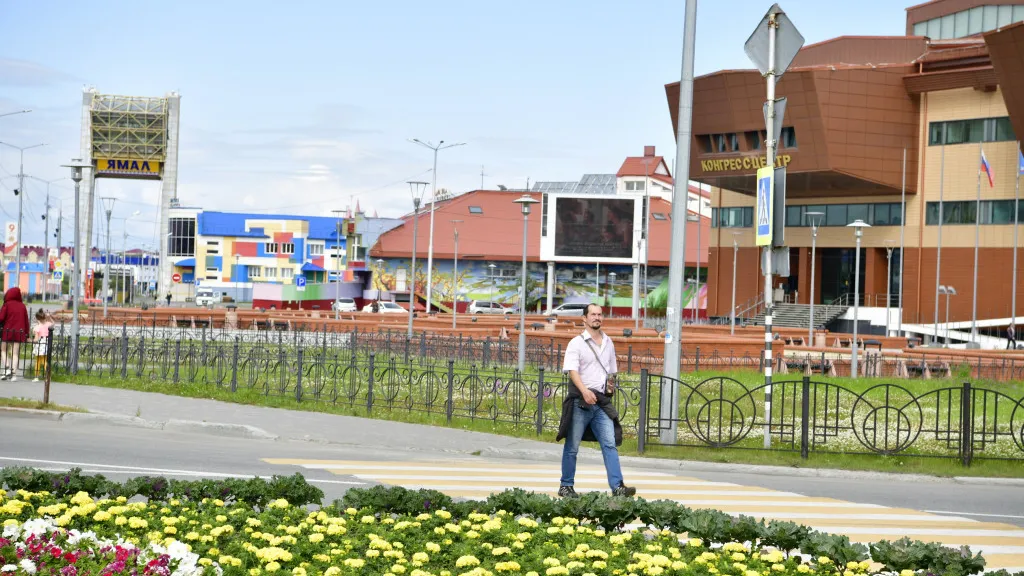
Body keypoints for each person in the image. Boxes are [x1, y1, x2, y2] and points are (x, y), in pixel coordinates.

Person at [555, 303, 635, 498]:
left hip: (600, 403)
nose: (597, 317)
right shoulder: (577, 343)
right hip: (581, 402)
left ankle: (618, 486)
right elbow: (572, 371)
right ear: (584, 318)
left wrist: (610, 386)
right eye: (593, 314)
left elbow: (611, 371)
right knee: (572, 446)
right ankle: (566, 486)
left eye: (599, 314)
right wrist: (584, 391)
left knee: (609, 444)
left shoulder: (608, 342)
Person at [0, 287, 30, 381]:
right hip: (19, 332)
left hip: (7, 331)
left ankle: (7, 368)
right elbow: (26, 321)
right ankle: (14, 375)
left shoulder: (7, 305)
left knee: (3, 350)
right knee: (15, 354)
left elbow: (1, 318)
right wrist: (27, 334)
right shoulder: (22, 306)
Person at [32, 309, 53, 382]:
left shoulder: (37, 327)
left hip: (39, 345)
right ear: (45, 317)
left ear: (37, 318)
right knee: (45, 361)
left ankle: (36, 376)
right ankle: (47, 376)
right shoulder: (48, 324)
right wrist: (49, 317)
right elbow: (53, 323)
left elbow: (36, 339)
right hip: (46, 343)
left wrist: (31, 340)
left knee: (37, 361)